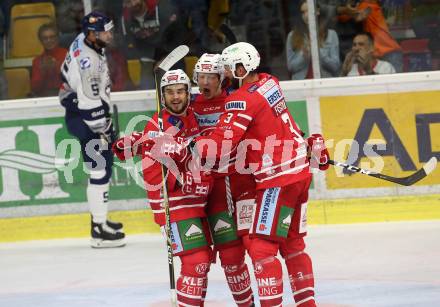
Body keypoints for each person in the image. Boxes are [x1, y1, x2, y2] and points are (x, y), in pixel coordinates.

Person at [149, 42, 330, 306]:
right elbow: (279, 122)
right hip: (296, 171)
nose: (217, 77)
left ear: (240, 68)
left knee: (258, 248)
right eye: (204, 75)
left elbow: (221, 143)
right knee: (292, 245)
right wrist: (305, 146)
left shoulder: (239, 99)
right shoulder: (269, 82)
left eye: (223, 70)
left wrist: (184, 145)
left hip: (270, 179)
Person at [112, 69, 214, 306]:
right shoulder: (155, 124)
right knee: (196, 261)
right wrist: (135, 141)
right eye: (169, 93)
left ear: (189, 93)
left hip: (198, 204)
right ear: (162, 96)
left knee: (202, 264)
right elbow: (143, 168)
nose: (175, 97)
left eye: (180, 91)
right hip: (174, 205)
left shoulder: (195, 119)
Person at [192, 53, 255, 306]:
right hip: (202, 189)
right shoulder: (188, 103)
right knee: (204, 261)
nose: (205, 82)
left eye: (210, 77)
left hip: (235, 184)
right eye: (201, 77)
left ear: (221, 78)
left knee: (238, 255)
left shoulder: (234, 101)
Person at [59, 11, 125, 248]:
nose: (110, 34)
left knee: (101, 168)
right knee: (100, 169)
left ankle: (101, 221)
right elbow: (88, 104)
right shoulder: (88, 64)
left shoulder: (85, 41)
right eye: (106, 31)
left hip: (81, 111)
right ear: (93, 34)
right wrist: (106, 129)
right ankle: (98, 231)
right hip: (86, 118)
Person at [286, 0, 340, 79]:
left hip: (324, 83)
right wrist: (303, 56)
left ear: (318, 11)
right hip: (302, 83)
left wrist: (318, 51)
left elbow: (335, 67)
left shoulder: (331, 34)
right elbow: (291, 68)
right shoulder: (292, 36)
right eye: (303, 12)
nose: (306, 15)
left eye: (308, 11)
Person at [352, 0, 403, 72]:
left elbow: (349, 18)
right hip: (389, 51)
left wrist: (343, 9)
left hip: (386, 51)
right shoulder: (374, 5)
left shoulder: (366, 4)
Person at [31, 23, 68, 97]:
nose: (49, 40)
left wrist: (57, 67)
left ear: (57, 38)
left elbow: (73, 81)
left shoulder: (68, 55)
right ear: (41, 41)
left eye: (52, 37)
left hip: (66, 95)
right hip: (45, 98)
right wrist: (43, 71)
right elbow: (35, 88)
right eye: (45, 38)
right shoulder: (37, 61)